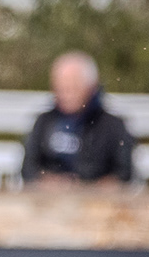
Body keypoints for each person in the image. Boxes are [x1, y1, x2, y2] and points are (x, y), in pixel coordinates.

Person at [20, 51, 136, 187]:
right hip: (49, 202)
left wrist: (91, 188)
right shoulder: (44, 122)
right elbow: (28, 169)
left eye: (73, 86)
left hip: (97, 204)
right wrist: (51, 183)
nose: (66, 93)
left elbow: (124, 174)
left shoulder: (112, 126)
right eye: (61, 87)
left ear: (91, 86)